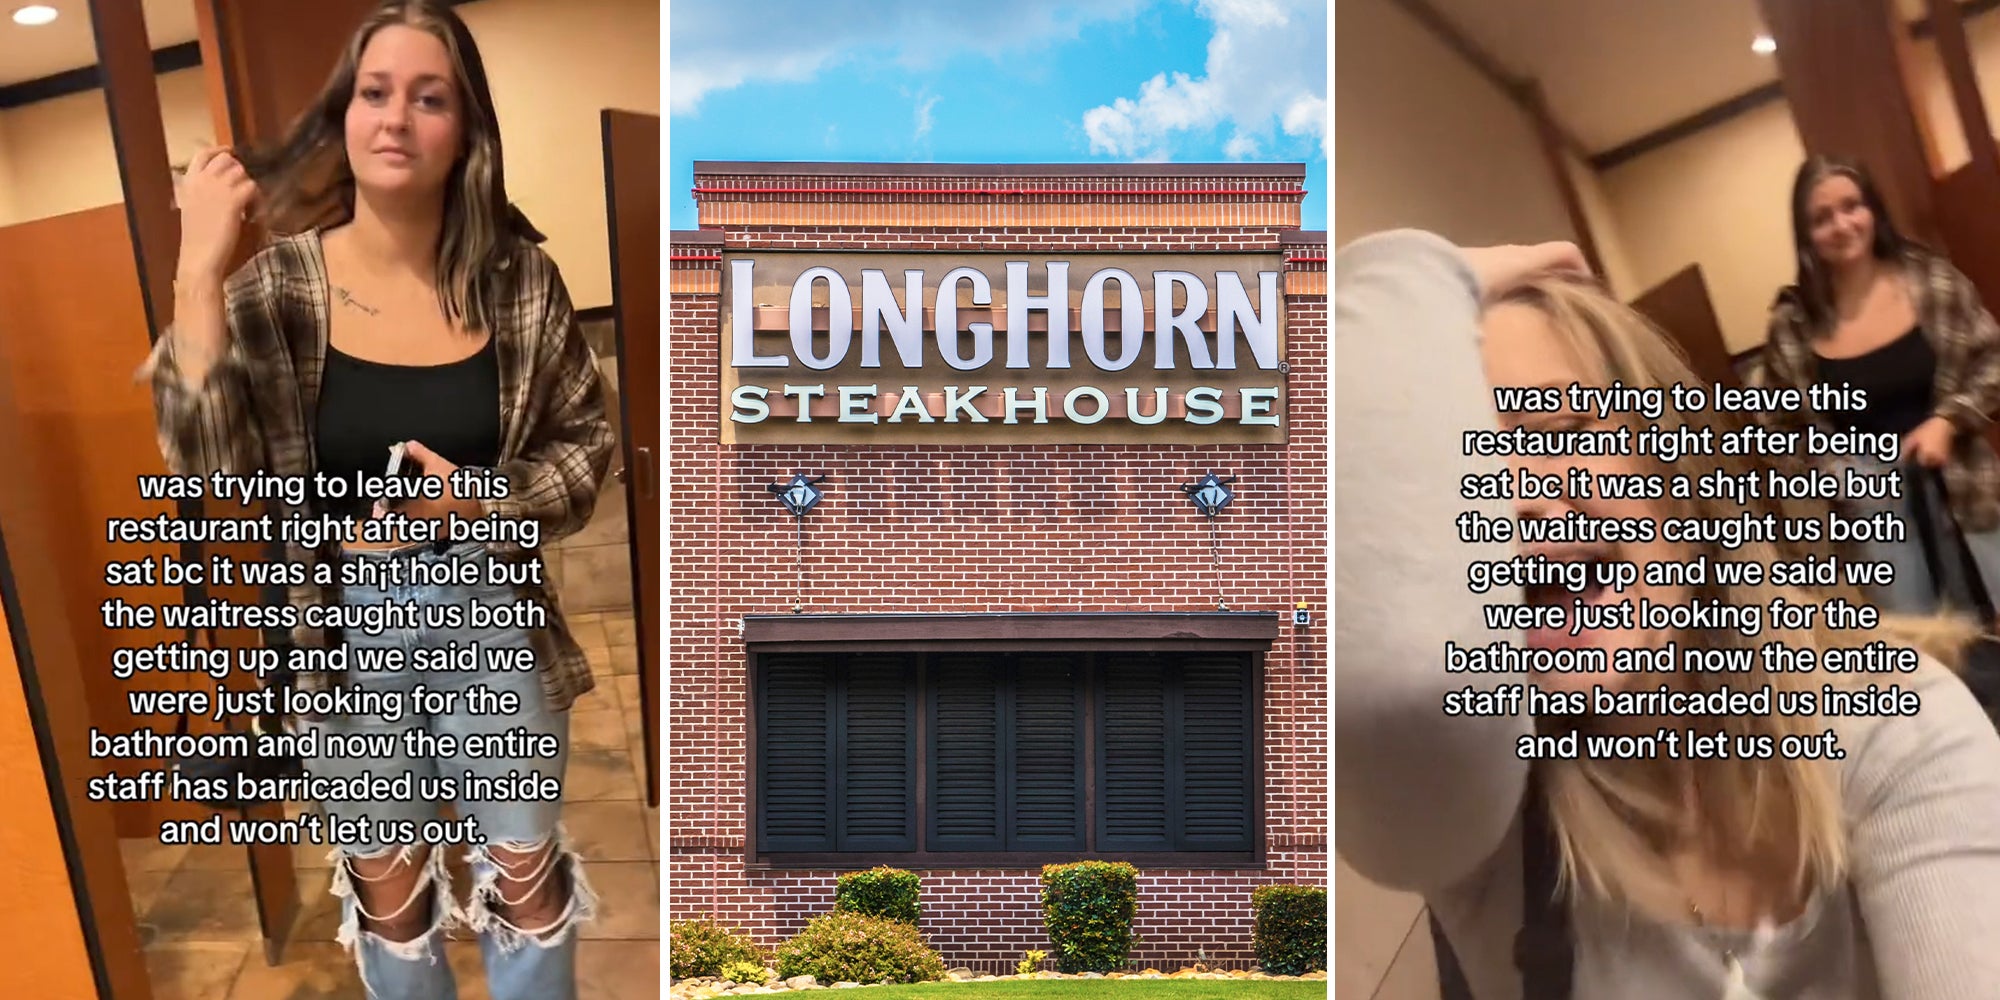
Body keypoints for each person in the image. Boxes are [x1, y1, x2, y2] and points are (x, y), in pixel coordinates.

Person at [1335, 228, 2000, 997]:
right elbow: (1386, 685)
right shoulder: (1470, 826)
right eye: (1465, 472)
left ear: (1675, 474)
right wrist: (1398, 280)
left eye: (1552, 434)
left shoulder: (1890, 720)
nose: (1515, 500)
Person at [144, 2, 613, 998]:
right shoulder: (275, 288)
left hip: (492, 620)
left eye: (429, 97)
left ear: (466, 132)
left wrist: (482, 499)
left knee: (526, 888)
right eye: (374, 92)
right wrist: (196, 268)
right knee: (391, 903)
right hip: (343, 633)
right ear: (344, 118)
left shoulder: (520, 282)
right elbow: (202, 463)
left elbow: (588, 451)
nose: (395, 118)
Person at [1754, 154, 2000, 618]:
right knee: (1923, 650)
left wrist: (1948, 420)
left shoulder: (1934, 282)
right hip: (1872, 518)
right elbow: (1775, 429)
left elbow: (1993, 362)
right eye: (1822, 218)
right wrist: (1829, 472)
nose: (1842, 224)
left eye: (1852, 206)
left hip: (1966, 488)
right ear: (1805, 233)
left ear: (1874, 210)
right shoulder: (1793, 324)